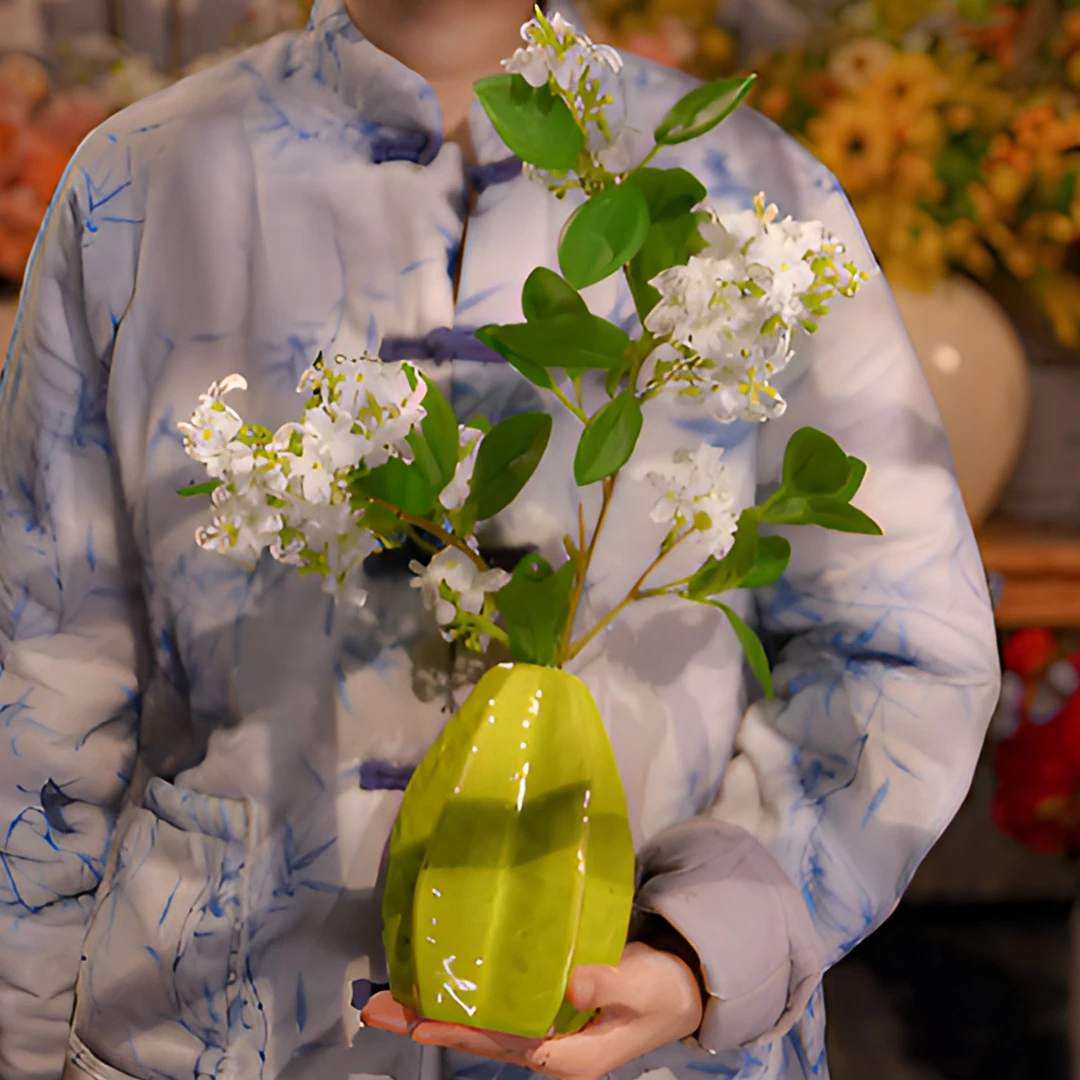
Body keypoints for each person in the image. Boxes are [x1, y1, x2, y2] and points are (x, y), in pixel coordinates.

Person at [0, 1, 1001, 1078]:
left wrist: (708, 944)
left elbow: (903, 653)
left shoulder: (757, 194)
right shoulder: (139, 188)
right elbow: (42, 681)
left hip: (653, 1055)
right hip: (217, 1039)